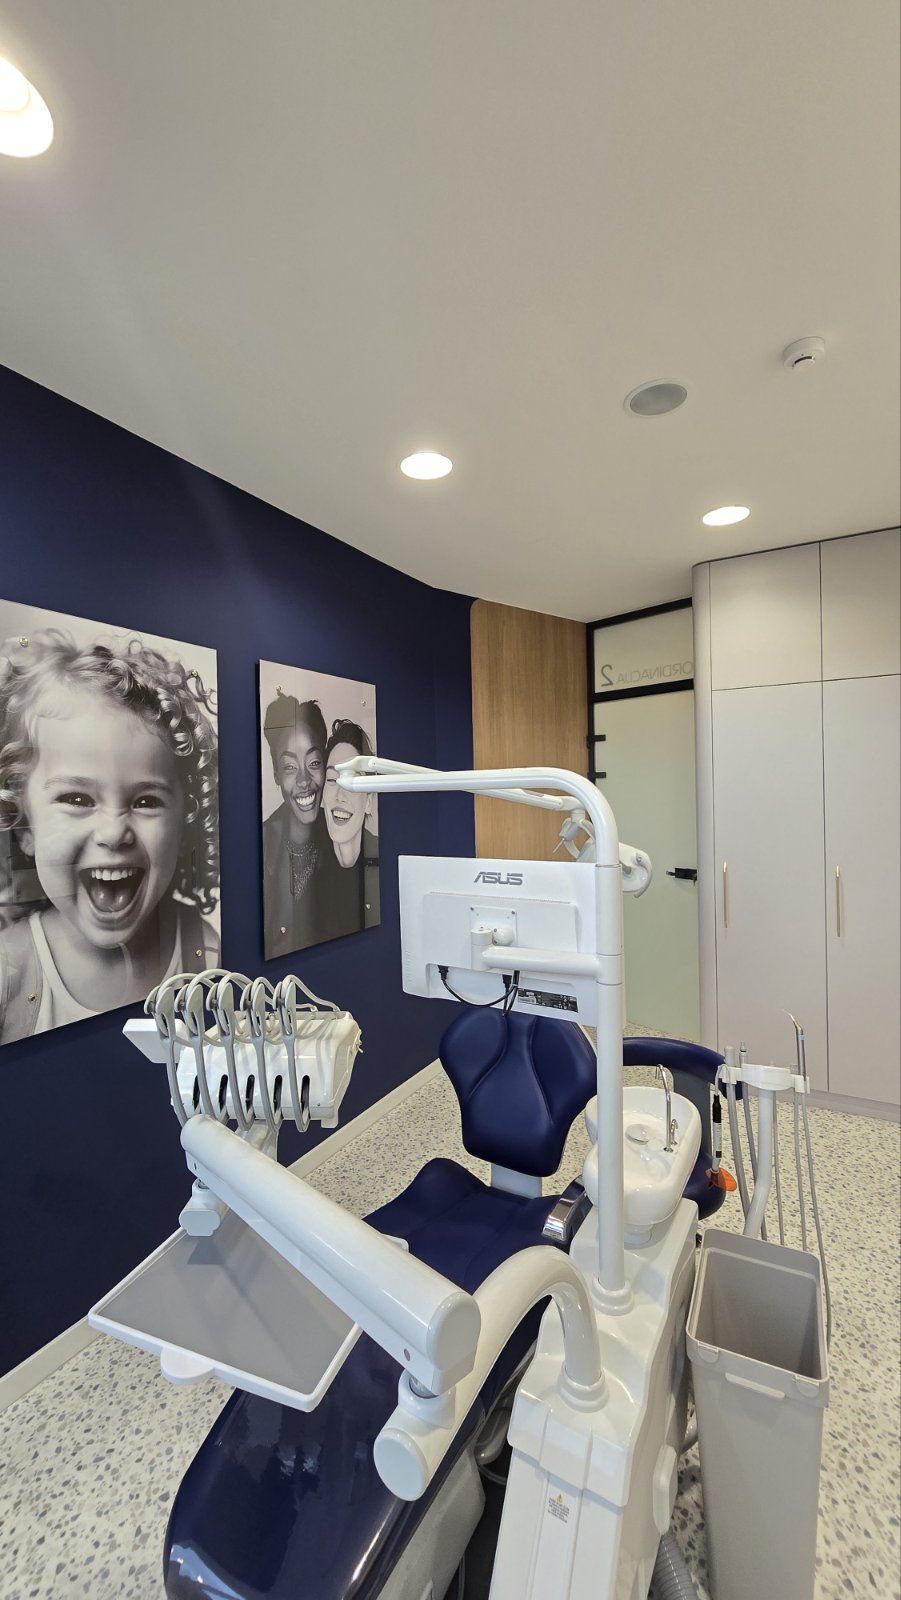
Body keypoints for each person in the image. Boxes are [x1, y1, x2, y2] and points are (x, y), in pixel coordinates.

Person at [0, 630, 219, 1044]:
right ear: (23, 825)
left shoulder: (203, 949)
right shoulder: (8, 970)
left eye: (146, 801)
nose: (114, 832)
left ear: (184, 825)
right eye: (77, 798)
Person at [261, 693, 331, 957]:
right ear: (276, 774)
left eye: (314, 763)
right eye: (290, 767)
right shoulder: (261, 846)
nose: (304, 780)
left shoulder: (342, 837)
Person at [320, 719, 380, 938]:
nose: (339, 796)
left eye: (352, 782)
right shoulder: (309, 870)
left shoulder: (381, 859)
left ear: (369, 801)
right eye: (332, 780)